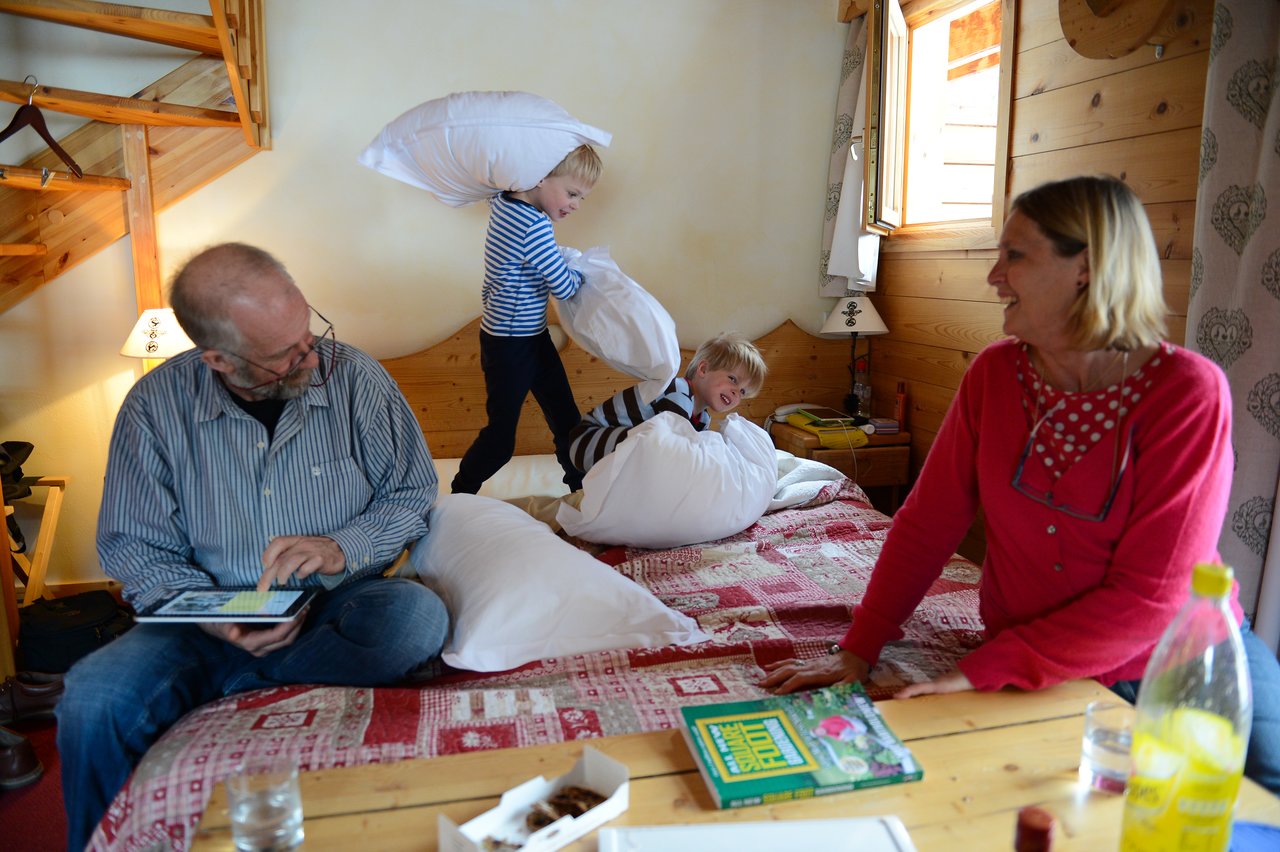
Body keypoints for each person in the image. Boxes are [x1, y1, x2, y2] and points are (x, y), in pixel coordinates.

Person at [759, 175, 1280, 794]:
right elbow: (927, 525)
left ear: (1084, 267)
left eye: (1015, 255)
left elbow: (1152, 598)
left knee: (1261, 796)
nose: (993, 276)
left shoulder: (1185, 392)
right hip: (1037, 669)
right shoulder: (994, 376)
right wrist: (860, 646)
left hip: (1176, 662)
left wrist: (986, 669)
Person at [57, 243, 450, 849]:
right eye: (285, 356)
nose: (311, 359)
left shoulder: (356, 378)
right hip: (205, 616)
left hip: (341, 604)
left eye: (309, 334)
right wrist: (216, 618)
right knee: (91, 698)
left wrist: (341, 546)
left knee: (415, 617)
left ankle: (235, 688)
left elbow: (413, 492)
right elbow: (134, 548)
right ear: (217, 358)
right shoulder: (154, 409)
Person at [450, 144, 603, 495]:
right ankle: (459, 495)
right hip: (511, 346)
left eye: (582, 197)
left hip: (527, 337)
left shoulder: (503, 203)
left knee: (568, 422)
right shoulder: (532, 225)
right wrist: (581, 272)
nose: (576, 205)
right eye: (572, 193)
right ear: (538, 177)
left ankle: (581, 493)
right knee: (502, 440)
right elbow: (564, 287)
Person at [568, 331, 768, 475]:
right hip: (588, 440)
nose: (736, 392)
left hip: (611, 450)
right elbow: (674, 447)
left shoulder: (703, 418)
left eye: (742, 391)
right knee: (659, 446)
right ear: (704, 369)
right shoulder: (678, 391)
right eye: (733, 379)